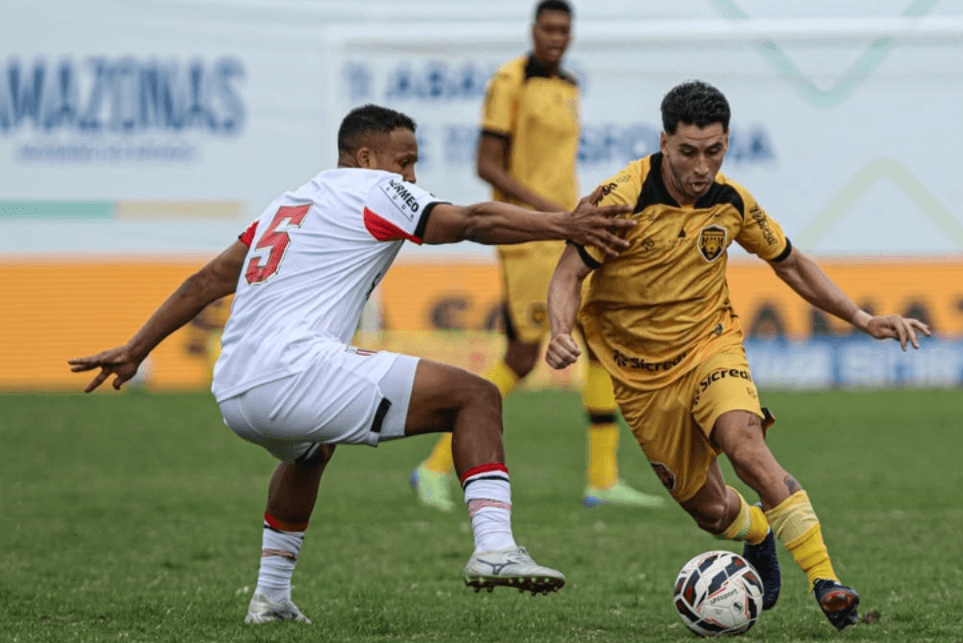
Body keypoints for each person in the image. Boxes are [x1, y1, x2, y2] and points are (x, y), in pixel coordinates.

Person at [69, 104, 636, 625]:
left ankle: (271, 597)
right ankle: (494, 549)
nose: (410, 177)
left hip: (237, 389)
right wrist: (566, 224)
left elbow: (208, 280)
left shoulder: (288, 204)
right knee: (476, 397)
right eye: (404, 161)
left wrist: (136, 348)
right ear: (365, 158)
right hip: (293, 371)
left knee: (311, 451)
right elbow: (469, 222)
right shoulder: (373, 188)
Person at [545, 80, 930, 632]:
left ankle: (827, 582)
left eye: (715, 150)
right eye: (688, 152)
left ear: (726, 143)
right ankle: (757, 532)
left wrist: (864, 320)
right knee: (712, 512)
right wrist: (561, 328)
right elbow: (568, 272)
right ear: (663, 142)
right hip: (642, 381)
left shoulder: (732, 203)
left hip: (711, 347)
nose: (702, 167)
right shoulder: (623, 200)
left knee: (745, 444)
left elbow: (791, 263)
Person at [410, 0, 663, 513]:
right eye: (548, 28)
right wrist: (552, 212)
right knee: (524, 355)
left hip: (569, 230)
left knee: (599, 341)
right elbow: (487, 165)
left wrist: (575, 215)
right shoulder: (510, 82)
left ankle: (602, 479)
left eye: (564, 29)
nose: (556, 37)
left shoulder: (568, 86)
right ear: (533, 30)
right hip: (529, 236)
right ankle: (433, 467)